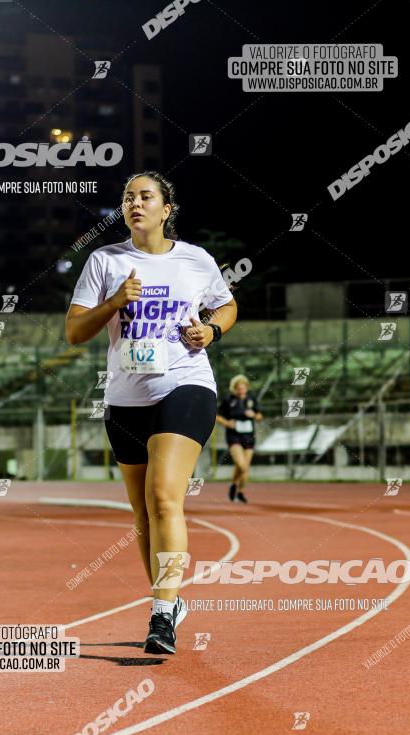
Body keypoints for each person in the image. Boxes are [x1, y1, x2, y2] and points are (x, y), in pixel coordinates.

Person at [65, 171, 237, 654]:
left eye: (146, 196)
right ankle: (170, 600)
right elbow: (75, 332)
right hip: (125, 398)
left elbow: (226, 306)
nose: (135, 203)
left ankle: (161, 615)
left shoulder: (195, 260)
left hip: (185, 384)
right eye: (127, 197)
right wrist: (116, 302)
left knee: (164, 497)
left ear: (167, 209)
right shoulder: (104, 261)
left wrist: (212, 332)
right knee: (143, 513)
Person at [216, 374, 263, 503]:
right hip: (234, 435)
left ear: (247, 388)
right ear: (235, 388)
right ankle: (234, 484)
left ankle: (239, 491)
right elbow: (218, 416)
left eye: (243, 388)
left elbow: (259, 416)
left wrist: (254, 415)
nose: (241, 390)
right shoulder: (228, 400)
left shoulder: (251, 399)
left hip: (249, 435)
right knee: (242, 466)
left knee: (244, 466)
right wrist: (227, 423)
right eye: (238, 388)